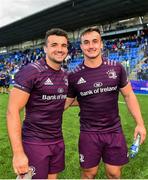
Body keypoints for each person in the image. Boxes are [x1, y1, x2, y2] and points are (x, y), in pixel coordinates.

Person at [65, 26, 146, 179]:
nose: (91, 46)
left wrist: (140, 124)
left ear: (101, 44)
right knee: (89, 174)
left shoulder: (116, 68)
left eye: (95, 41)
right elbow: (66, 102)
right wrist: (38, 110)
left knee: (114, 173)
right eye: (86, 42)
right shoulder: (74, 75)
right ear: (81, 47)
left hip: (114, 131)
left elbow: (129, 95)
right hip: (89, 133)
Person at [7, 28, 69, 179]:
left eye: (64, 45)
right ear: (45, 48)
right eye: (54, 45)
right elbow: (12, 111)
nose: (60, 49)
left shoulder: (65, 75)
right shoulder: (31, 71)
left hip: (57, 140)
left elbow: (62, 100)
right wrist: (18, 153)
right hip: (34, 143)